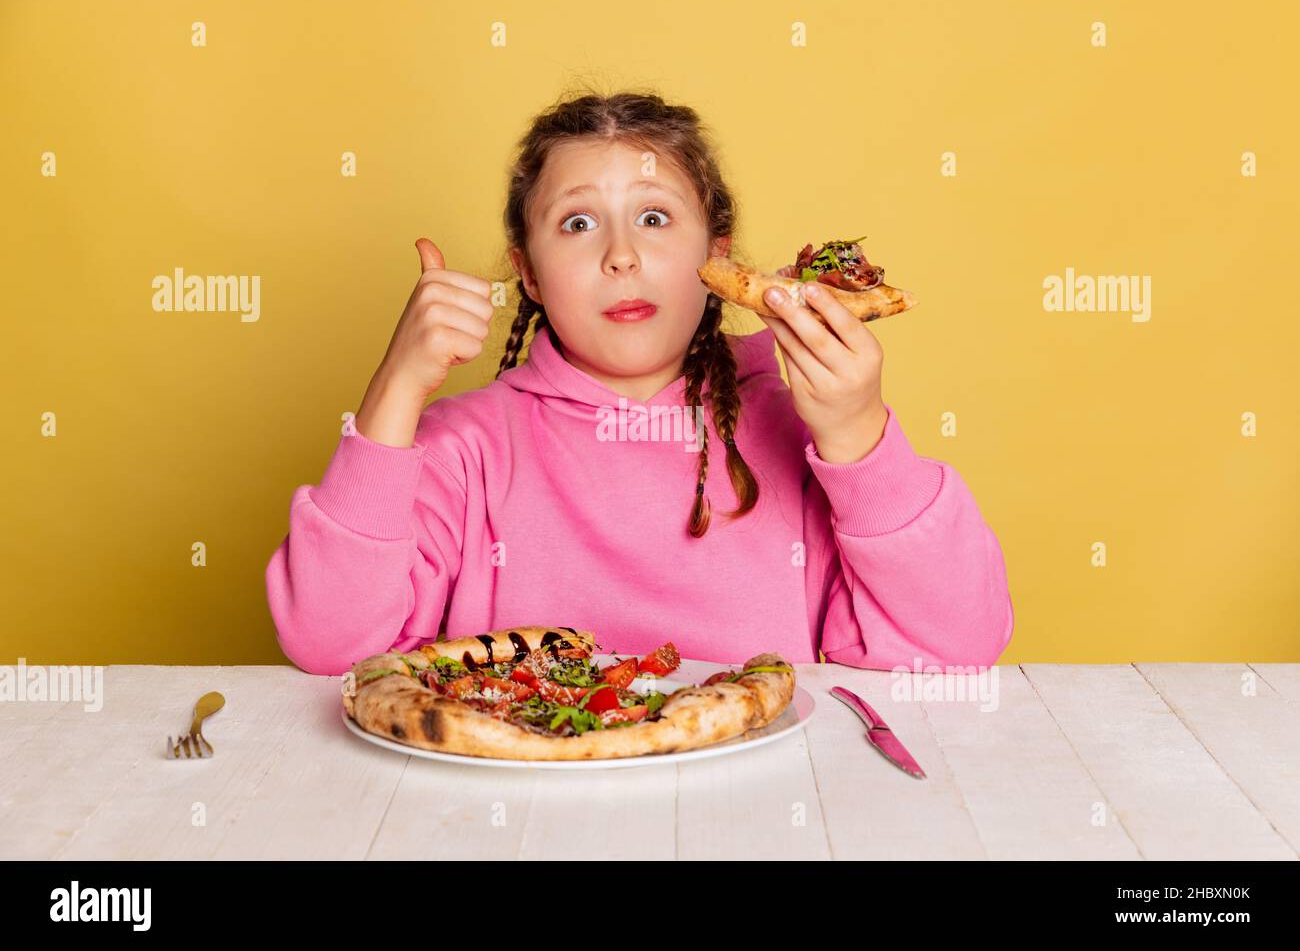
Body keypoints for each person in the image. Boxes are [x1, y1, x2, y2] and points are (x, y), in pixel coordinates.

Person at [265, 90, 1014, 676]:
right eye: (579, 224)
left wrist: (858, 436)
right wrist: (393, 396)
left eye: (654, 217)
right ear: (527, 271)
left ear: (718, 258)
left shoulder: (803, 435)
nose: (621, 255)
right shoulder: (466, 450)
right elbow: (331, 645)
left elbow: (953, 645)